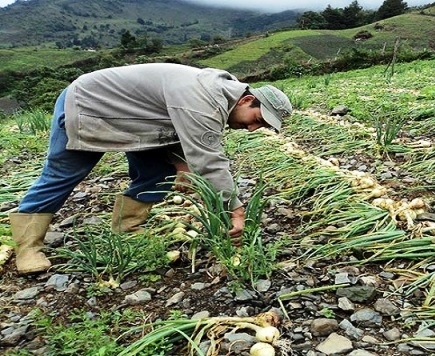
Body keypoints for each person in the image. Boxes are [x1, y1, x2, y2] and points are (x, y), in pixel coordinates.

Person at [9, 63, 292, 274]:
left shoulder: (221, 94)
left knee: (158, 173)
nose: (253, 128)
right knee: (64, 173)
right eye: (257, 118)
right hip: (91, 103)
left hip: (139, 119)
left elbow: (181, 130)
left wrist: (181, 165)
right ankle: (28, 247)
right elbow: (209, 159)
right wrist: (236, 209)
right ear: (246, 100)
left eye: (262, 126)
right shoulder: (203, 99)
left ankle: (128, 228)